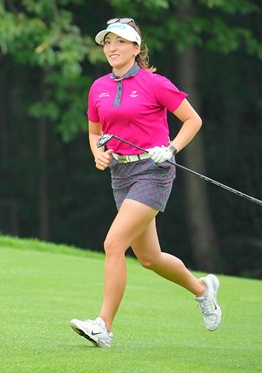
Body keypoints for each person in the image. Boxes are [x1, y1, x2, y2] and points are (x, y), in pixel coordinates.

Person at [70, 18, 222, 348]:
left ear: (136, 48)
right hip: (120, 175)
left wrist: (170, 148)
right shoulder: (98, 87)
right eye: (107, 42)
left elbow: (192, 120)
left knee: (113, 244)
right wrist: (98, 154)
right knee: (150, 258)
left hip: (153, 173)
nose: (111, 48)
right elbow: (95, 132)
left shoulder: (155, 84)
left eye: (120, 42)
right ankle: (202, 289)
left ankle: (103, 327)